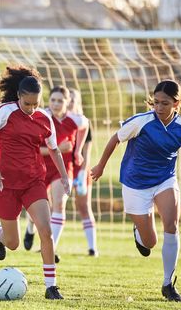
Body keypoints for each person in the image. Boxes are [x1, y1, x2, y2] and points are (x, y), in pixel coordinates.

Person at [90, 80, 181, 302]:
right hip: (134, 184)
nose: (159, 107)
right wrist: (100, 166)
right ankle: (139, 233)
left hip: (165, 180)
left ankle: (168, 284)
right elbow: (115, 139)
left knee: (172, 224)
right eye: (156, 102)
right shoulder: (142, 122)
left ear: (177, 103)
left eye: (165, 103)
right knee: (150, 242)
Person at [0, 65, 71, 300]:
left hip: (33, 182)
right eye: (27, 104)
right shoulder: (4, 112)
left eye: (36, 104)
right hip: (4, 184)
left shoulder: (44, 118)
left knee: (45, 231)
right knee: (13, 243)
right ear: (18, 96)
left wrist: (65, 176)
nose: (31, 108)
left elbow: (54, 150)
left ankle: (51, 286)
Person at [22, 86, 90, 261]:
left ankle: (51, 247)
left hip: (62, 168)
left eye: (60, 100)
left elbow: (85, 125)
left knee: (59, 204)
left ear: (68, 102)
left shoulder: (75, 120)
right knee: (35, 211)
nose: (56, 104)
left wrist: (77, 151)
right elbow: (33, 149)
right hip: (39, 168)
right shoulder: (40, 117)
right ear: (48, 101)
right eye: (53, 100)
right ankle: (30, 228)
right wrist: (58, 148)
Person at [68, 88, 99, 257]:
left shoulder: (84, 123)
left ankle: (93, 247)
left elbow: (86, 153)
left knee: (83, 206)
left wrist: (81, 174)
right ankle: (49, 243)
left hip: (80, 170)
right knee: (53, 205)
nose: (70, 102)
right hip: (62, 170)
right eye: (68, 99)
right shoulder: (58, 121)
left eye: (73, 99)